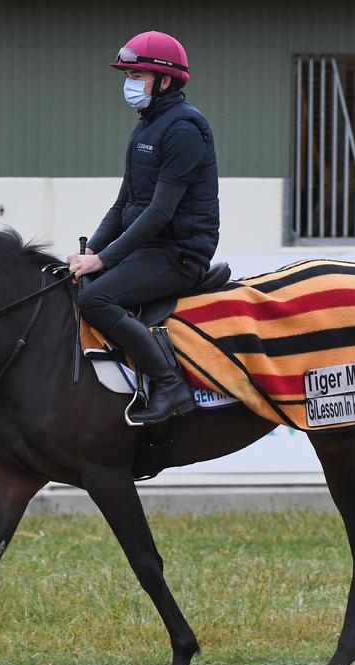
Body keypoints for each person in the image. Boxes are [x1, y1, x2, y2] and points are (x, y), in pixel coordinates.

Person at [68, 30, 220, 425]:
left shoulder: (185, 129)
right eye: (128, 77)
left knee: (94, 300)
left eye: (137, 77)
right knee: (76, 288)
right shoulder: (146, 128)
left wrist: (103, 260)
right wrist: (91, 251)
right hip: (149, 249)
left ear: (164, 81)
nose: (129, 85)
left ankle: (170, 385)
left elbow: (159, 213)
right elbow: (124, 204)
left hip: (180, 253)